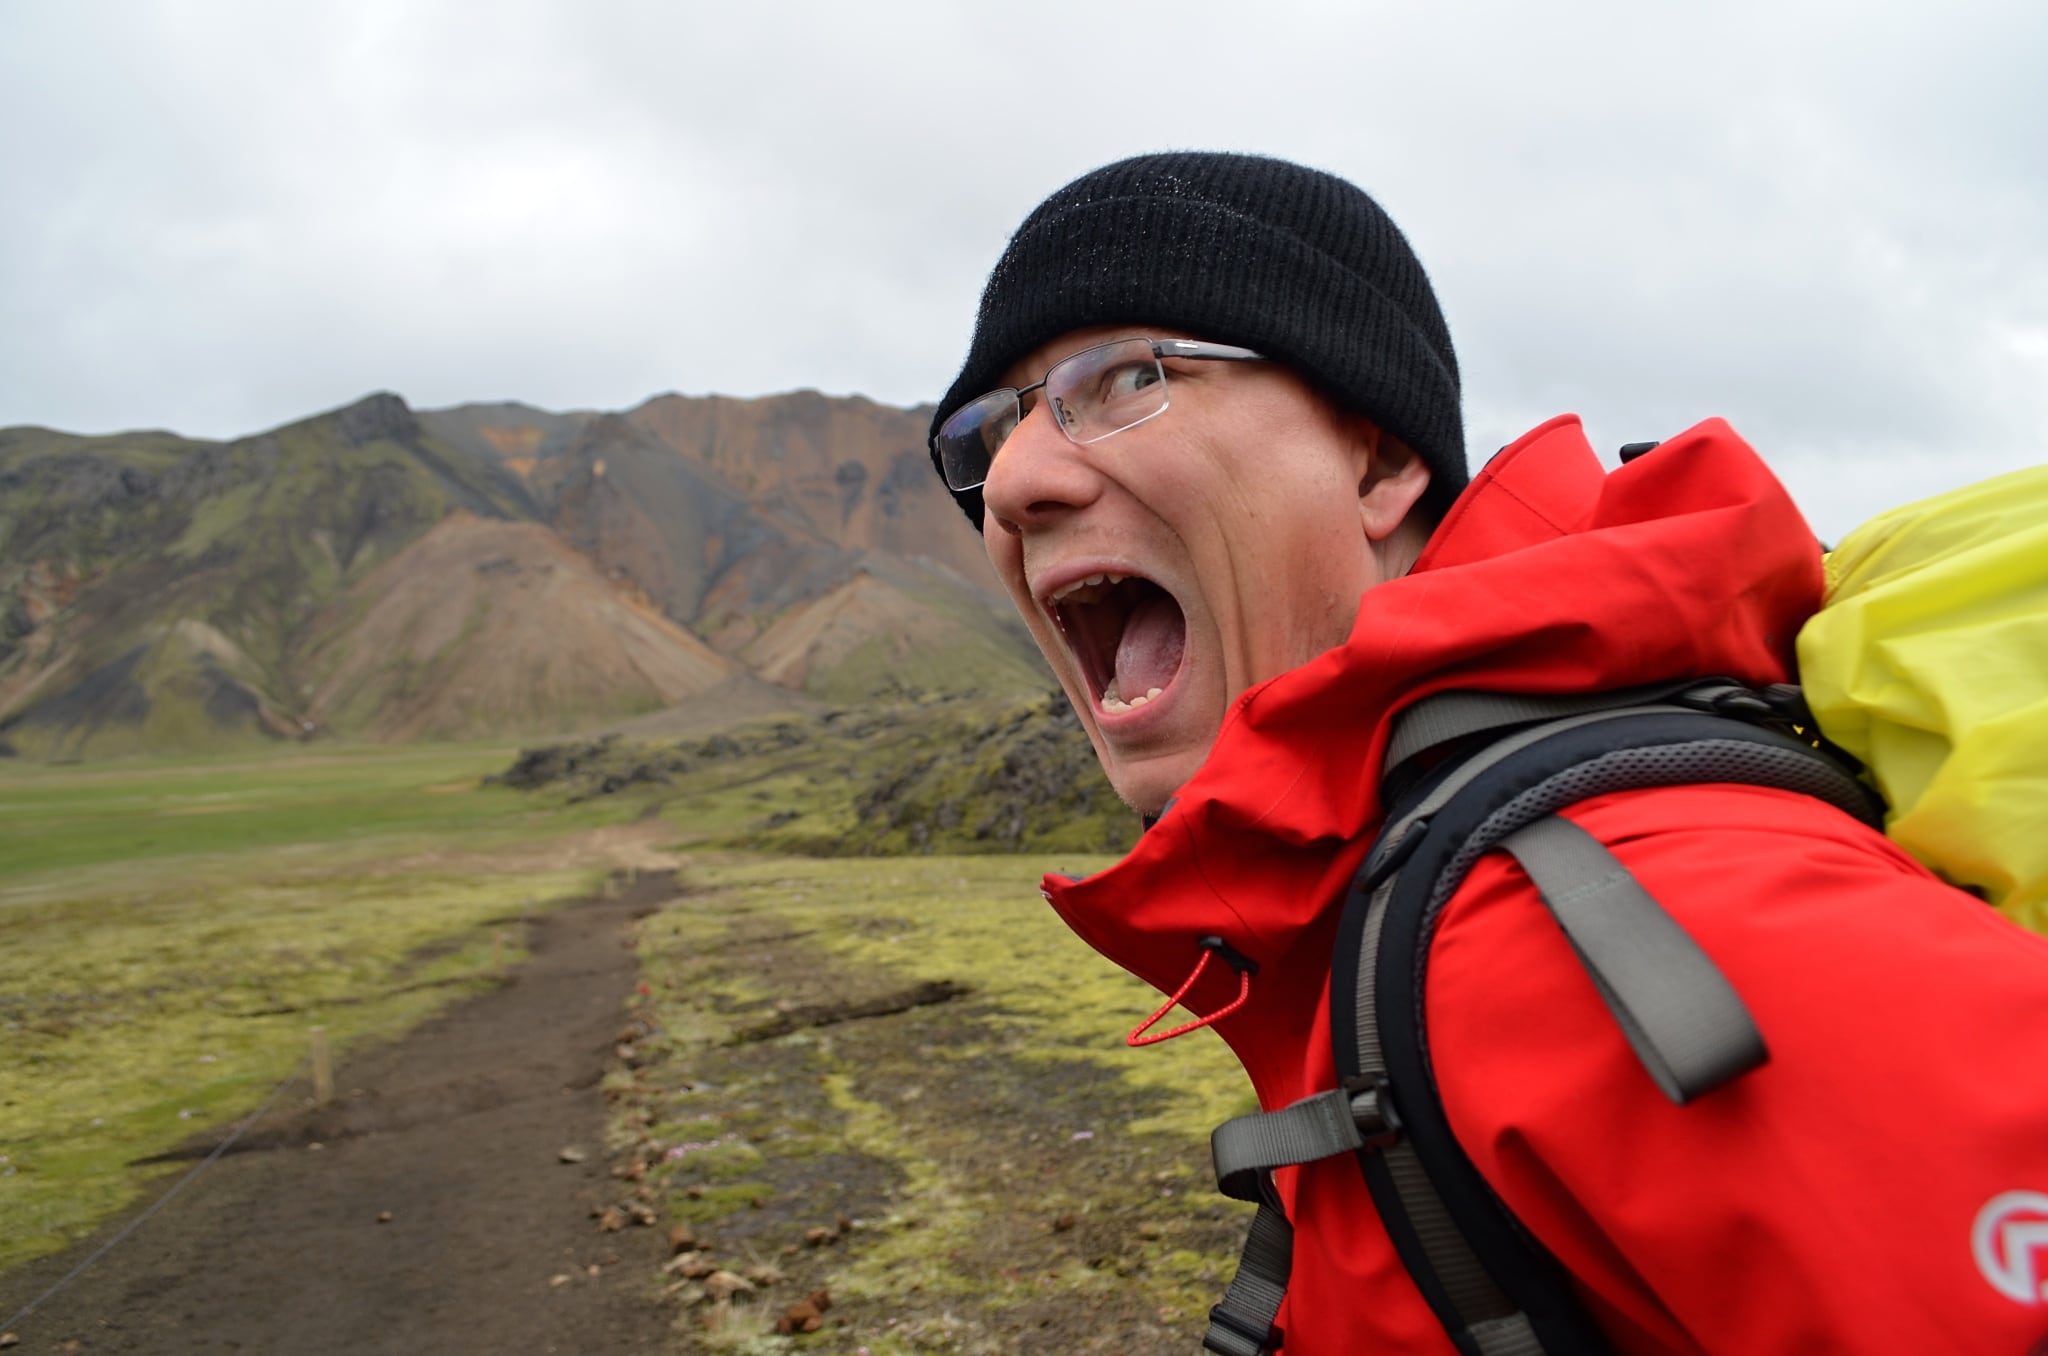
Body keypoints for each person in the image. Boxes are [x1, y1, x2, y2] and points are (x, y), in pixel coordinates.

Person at [926, 151, 2048, 1354]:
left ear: (1376, 464)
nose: (1014, 484)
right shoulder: (1405, 890)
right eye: (991, 433)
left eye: (1126, 378)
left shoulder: (1605, 911)